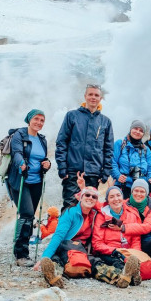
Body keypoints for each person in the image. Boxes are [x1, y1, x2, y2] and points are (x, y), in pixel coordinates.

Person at [56, 84, 113, 214]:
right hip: (73, 172)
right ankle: (67, 235)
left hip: (93, 173)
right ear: (85, 96)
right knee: (70, 207)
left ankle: (86, 235)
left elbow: (108, 149)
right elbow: (61, 142)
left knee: (89, 209)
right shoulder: (72, 116)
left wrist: (105, 173)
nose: (93, 97)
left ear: (100, 98)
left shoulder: (105, 122)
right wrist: (62, 168)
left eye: (96, 95)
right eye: (91, 94)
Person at [7, 109, 51, 267]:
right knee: (26, 214)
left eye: (42, 120)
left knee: (30, 216)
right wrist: (21, 163)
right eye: (36, 119)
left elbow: (43, 158)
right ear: (29, 119)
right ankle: (21, 254)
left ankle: (23, 251)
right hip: (20, 179)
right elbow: (16, 152)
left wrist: (47, 164)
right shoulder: (19, 134)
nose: (39, 122)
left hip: (36, 181)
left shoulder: (42, 139)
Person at [34, 187, 101, 288]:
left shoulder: (95, 215)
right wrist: (45, 257)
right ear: (80, 197)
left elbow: (110, 206)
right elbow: (58, 236)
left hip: (82, 250)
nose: (90, 198)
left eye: (94, 196)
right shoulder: (70, 212)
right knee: (57, 259)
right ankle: (54, 276)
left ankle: (120, 278)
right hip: (66, 247)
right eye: (87, 195)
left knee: (96, 262)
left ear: (96, 201)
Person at [91, 186, 143, 288]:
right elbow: (97, 243)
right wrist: (115, 250)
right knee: (116, 263)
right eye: (112, 197)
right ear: (108, 201)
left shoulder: (132, 215)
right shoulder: (101, 216)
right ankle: (131, 277)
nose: (116, 199)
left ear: (123, 198)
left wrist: (135, 255)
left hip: (128, 253)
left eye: (118, 195)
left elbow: (136, 240)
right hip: (110, 252)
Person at [111, 120, 151, 200]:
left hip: (140, 188)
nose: (137, 132)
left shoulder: (146, 149)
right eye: (135, 128)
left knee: (140, 211)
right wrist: (118, 175)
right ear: (130, 129)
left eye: (141, 130)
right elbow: (112, 162)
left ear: (143, 134)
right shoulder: (120, 144)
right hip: (123, 185)